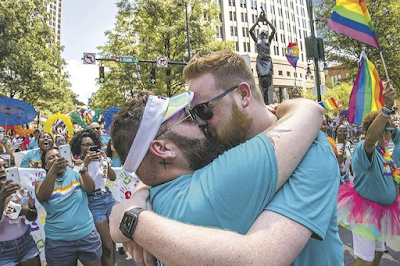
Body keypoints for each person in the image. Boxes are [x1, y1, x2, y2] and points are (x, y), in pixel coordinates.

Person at [110, 51, 342, 265]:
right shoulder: (217, 150)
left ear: (243, 94)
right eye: (191, 114)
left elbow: (263, 256)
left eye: (203, 109)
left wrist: (132, 213)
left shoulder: (311, 150)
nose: (200, 122)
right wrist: (135, 201)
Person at [337, 81, 400, 265]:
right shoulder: (364, 150)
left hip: (383, 213)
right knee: (364, 260)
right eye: (387, 130)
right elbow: (371, 139)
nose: (389, 135)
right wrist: (386, 108)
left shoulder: (385, 153)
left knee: (378, 253)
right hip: (365, 213)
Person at [35, 148, 102, 266]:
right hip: (58, 243)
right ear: (45, 166)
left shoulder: (75, 174)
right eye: (51, 158)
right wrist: (53, 172)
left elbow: (90, 189)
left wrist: (83, 169)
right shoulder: (41, 182)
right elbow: (43, 196)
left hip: (87, 236)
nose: (56, 159)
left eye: (58, 155)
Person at [70, 129, 117, 266]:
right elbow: (84, 185)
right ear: (79, 146)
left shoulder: (101, 159)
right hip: (93, 202)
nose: (89, 147)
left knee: (113, 241)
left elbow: (112, 177)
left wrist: (105, 162)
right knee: (106, 245)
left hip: (108, 198)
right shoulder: (76, 163)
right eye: (85, 144)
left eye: (91, 144)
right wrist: (85, 163)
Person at [0, 157, 41, 266]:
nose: (2, 169)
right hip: (3, 252)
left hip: (26, 244)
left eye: (5, 166)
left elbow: (33, 216)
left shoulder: (21, 190)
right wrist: (2, 197)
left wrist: (27, 211)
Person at [250, 9, 276, 105]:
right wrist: (257, 22)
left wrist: (266, 20)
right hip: (260, 61)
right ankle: (264, 101)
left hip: (267, 61)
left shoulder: (268, 40)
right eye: (262, 33)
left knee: (268, 79)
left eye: (264, 33)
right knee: (261, 79)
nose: (263, 34)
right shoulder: (258, 41)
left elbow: (274, 30)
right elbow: (250, 31)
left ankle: (268, 101)